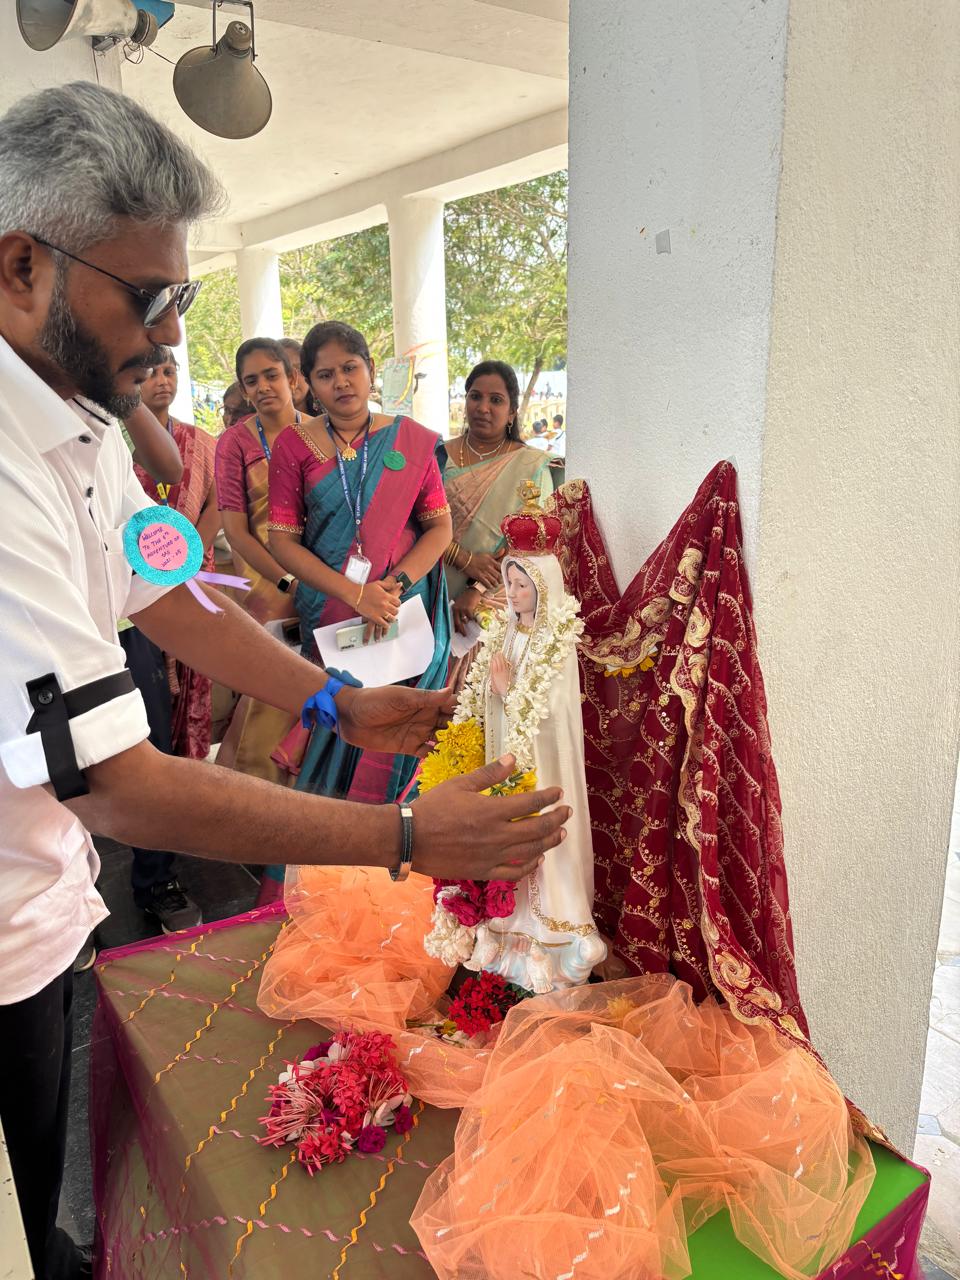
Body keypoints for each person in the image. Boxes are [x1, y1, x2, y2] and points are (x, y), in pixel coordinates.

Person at [0, 82, 568, 1280]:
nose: (169, 336)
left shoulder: (78, 422)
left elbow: (168, 591)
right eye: (147, 296)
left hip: (42, 908)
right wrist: (406, 835)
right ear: (20, 266)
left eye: (181, 298)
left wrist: (330, 697)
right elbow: (120, 782)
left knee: (54, 1196)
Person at [268, 320, 452, 814]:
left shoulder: (410, 440)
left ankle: (404, 842)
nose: (342, 382)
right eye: (325, 375)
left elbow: (439, 528)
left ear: (371, 369)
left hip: (401, 610)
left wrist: (392, 588)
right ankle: (332, 846)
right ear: (309, 383)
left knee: (401, 730)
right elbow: (281, 541)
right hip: (333, 612)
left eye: (350, 368)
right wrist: (355, 595)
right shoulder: (294, 445)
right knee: (338, 725)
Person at [214, 338, 302, 793]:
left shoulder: (322, 433)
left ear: (293, 378)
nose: (264, 386)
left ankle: (314, 799)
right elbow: (236, 531)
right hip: (268, 583)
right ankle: (255, 794)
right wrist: (287, 581)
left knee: (321, 687)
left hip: (325, 578)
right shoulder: (234, 443)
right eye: (252, 381)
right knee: (269, 690)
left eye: (272, 375)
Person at [438, 360, 553, 657]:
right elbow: (417, 523)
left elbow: (530, 544)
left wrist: (476, 590)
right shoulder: (437, 455)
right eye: (475, 396)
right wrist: (463, 559)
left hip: (494, 601)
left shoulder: (530, 465)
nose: (483, 407)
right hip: (434, 588)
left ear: (512, 411)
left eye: (496, 400)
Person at [278, 335, 310, 414]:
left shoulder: (331, 417)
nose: (293, 377)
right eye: (284, 370)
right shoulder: (253, 421)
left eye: (298, 368)